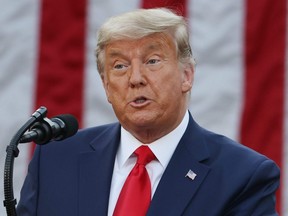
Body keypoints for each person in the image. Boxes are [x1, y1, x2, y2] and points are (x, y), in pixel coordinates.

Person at [17, 8, 280, 216]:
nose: (135, 78)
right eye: (119, 66)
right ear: (107, 87)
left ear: (186, 75)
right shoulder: (54, 161)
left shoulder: (243, 176)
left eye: (152, 61)